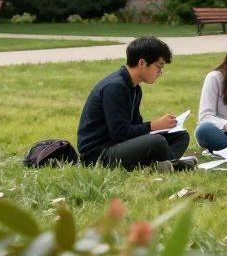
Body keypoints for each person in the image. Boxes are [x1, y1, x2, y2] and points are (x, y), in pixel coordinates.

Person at [77, 36, 194, 171]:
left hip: (118, 146)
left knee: (180, 136)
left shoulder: (134, 88)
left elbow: (134, 127)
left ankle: (164, 164)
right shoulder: (115, 87)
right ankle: (169, 164)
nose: (160, 72)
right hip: (99, 155)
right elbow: (119, 133)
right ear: (142, 63)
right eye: (159, 66)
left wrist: (160, 128)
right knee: (157, 142)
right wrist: (153, 125)